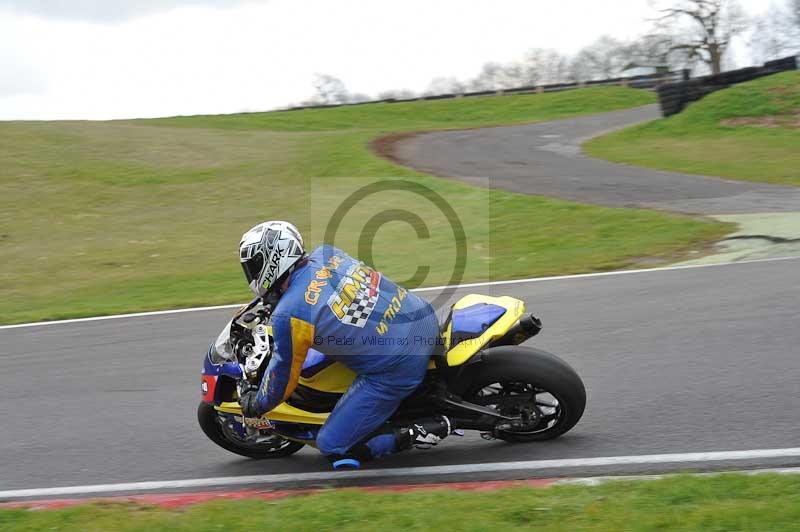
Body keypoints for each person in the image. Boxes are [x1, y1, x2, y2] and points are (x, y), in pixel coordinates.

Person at [237, 220, 450, 468]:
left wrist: (259, 403)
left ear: (271, 261)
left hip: (398, 364)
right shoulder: (327, 253)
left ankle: (425, 429)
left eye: (252, 266)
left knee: (333, 445)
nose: (251, 274)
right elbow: (323, 294)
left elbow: (283, 375)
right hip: (421, 316)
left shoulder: (289, 315)